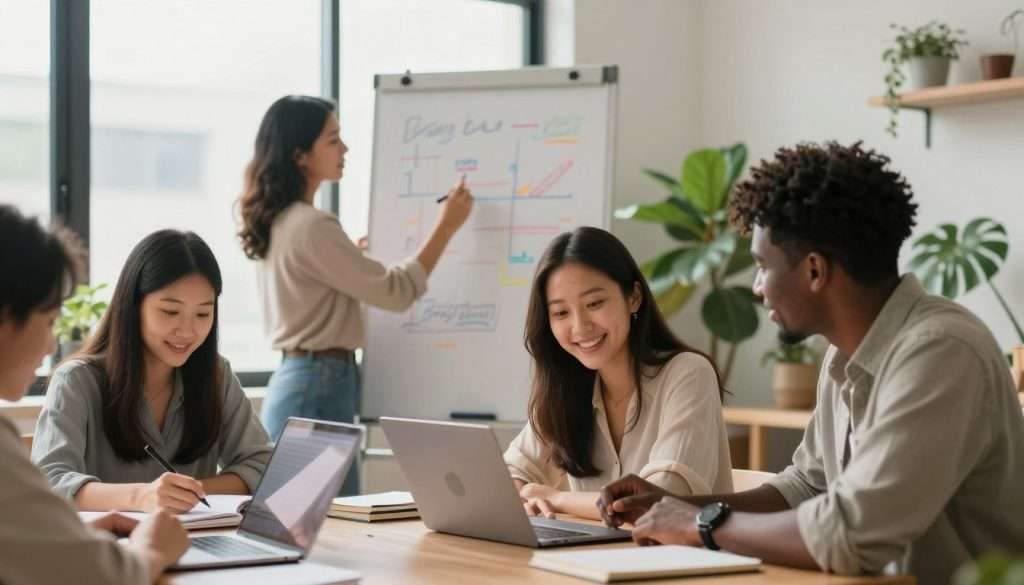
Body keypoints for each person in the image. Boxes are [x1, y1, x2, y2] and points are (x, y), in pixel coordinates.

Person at [598, 142, 1024, 584]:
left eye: (763, 266)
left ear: (815, 271)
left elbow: (851, 534)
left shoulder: (941, 352)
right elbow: (808, 486)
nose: (759, 287)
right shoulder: (845, 353)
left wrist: (701, 524)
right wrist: (679, 506)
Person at [236, 95, 473, 495]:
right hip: (319, 384)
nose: (344, 149)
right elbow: (396, 293)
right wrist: (446, 227)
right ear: (300, 155)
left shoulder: (283, 221)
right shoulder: (312, 225)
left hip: (303, 381)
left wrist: (351, 257)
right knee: (331, 526)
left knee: (303, 520)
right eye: (333, 139)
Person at [0, 204, 188, 584]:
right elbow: (102, 578)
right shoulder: (78, 379)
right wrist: (151, 548)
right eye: (50, 320)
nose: (50, 343)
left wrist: (64, 538)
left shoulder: (214, 374)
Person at [33, 230, 273, 512]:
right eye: (170, 312)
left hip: (200, 543)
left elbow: (262, 464)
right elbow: (49, 482)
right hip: (110, 548)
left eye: (203, 314)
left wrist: (183, 494)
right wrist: (142, 497)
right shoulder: (77, 381)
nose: (187, 330)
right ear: (133, 306)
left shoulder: (216, 375)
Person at [503, 226, 732, 521]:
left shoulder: (688, 374)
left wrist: (556, 498)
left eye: (594, 303)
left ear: (634, 297)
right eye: (561, 313)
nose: (580, 326)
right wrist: (524, 495)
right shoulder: (567, 390)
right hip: (593, 559)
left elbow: (658, 499)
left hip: (681, 561)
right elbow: (510, 474)